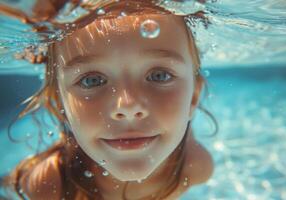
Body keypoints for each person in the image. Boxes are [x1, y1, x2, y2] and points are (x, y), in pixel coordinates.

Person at [1, 0, 218, 199]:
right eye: (92, 80)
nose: (128, 106)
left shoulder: (194, 167)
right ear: (61, 104)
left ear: (193, 99)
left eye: (159, 75)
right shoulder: (50, 184)